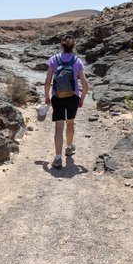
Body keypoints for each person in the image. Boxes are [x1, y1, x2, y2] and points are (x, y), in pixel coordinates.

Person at [44, 35, 88, 169]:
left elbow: (47, 81)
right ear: (73, 46)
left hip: (57, 96)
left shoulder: (54, 59)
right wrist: (81, 99)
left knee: (58, 127)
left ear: (61, 46)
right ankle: (69, 147)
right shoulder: (77, 61)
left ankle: (58, 158)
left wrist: (47, 96)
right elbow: (85, 85)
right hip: (72, 97)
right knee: (70, 122)